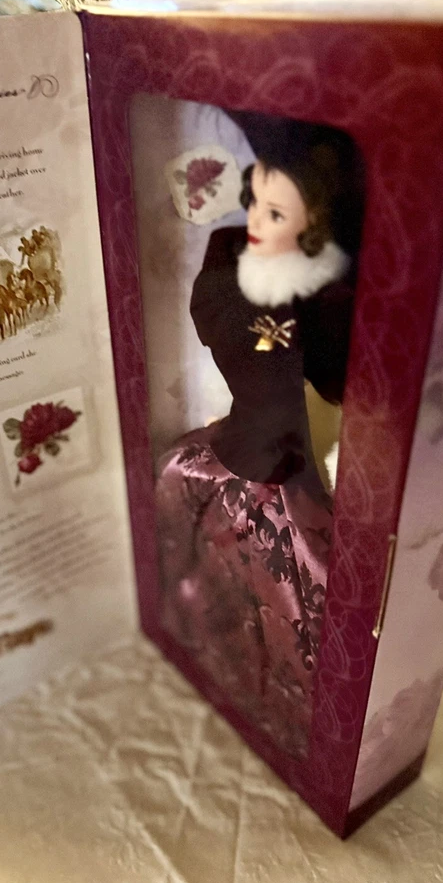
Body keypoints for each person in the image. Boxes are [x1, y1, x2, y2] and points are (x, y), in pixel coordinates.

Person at [155, 123, 360, 758]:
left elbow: (332, 382)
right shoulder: (228, 265)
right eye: (254, 203)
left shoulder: (326, 298)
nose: (254, 221)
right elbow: (219, 320)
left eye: (275, 213)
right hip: (235, 451)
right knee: (191, 547)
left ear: (312, 222)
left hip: (289, 469)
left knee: (303, 603)